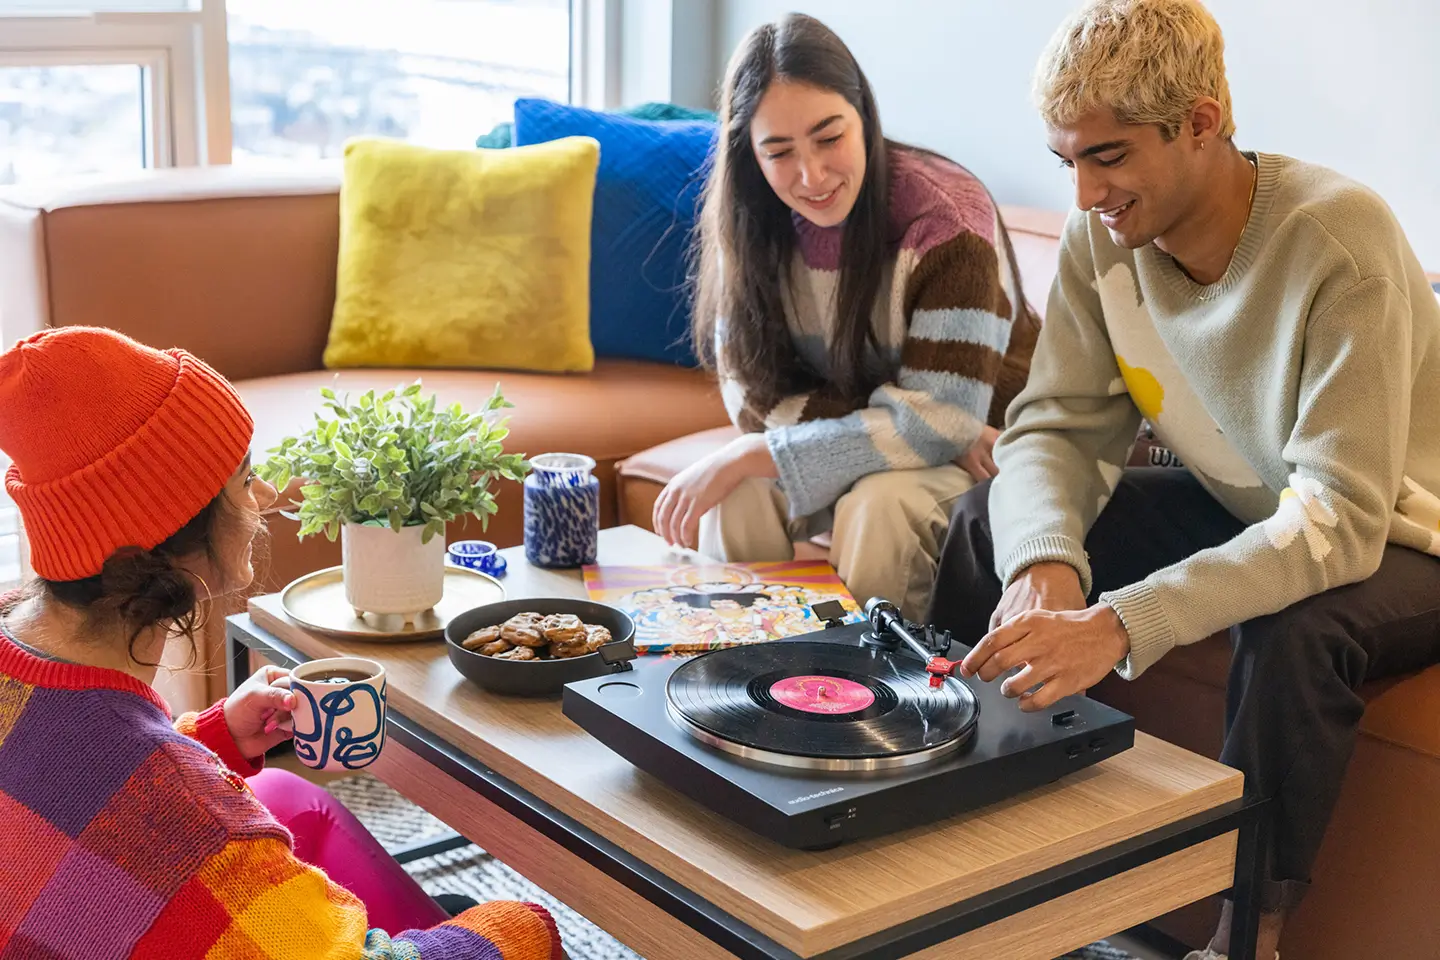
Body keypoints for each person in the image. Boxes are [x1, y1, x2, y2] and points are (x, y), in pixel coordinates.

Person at [926, 1, 1440, 958]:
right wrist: (1046, 559)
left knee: (1295, 627)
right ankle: (945, 840)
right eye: (1065, 162)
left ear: (1201, 123)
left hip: (1403, 527)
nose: (1083, 194)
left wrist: (1118, 623)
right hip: (1248, 493)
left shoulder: (1340, 243)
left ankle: (1246, 933)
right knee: (983, 523)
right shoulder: (1102, 242)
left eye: (1108, 156)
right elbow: (1054, 427)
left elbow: (1338, 521)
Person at [0, 326, 562, 959]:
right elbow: (157, 819)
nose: (265, 496)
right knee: (503, 927)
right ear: (169, 536)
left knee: (286, 794)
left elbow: (71, 787)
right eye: (243, 481)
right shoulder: (194, 825)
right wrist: (517, 931)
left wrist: (207, 744)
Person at [652, 13, 1038, 620]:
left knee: (878, 505)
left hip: (994, 446)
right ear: (750, 155)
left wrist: (929, 428)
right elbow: (754, 402)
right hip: (946, 439)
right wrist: (908, 425)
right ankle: (732, 694)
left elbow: (946, 421)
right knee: (736, 495)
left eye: (829, 137)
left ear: (864, 114)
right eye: (778, 152)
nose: (811, 176)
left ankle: (865, 703)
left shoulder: (948, 220)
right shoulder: (750, 223)